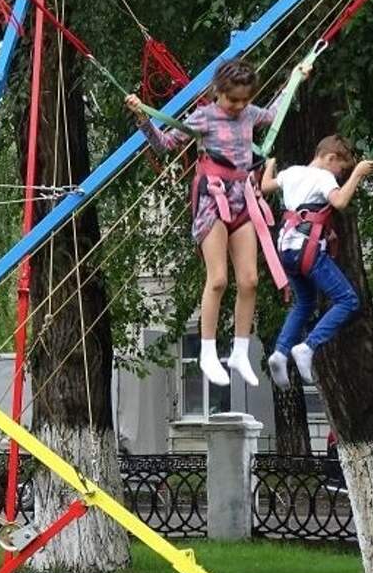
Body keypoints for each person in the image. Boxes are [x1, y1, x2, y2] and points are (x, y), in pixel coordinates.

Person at [126, 57, 310, 388]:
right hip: (212, 198)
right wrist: (143, 117)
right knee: (219, 279)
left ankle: (240, 351)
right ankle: (208, 351)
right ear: (218, 92)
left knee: (251, 280)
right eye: (232, 100)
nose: (239, 106)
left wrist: (295, 78)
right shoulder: (205, 117)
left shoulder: (250, 113)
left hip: (243, 198)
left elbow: (275, 112)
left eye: (245, 100)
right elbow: (164, 144)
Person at [261, 135, 373, 388]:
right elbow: (340, 201)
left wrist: (270, 163)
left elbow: (265, 186)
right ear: (330, 158)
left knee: (305, 302)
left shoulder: (291, 173)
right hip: (308, 250)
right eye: (341, 169)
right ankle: (307, 346)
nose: (340, 175)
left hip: (286, 250)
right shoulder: (324, 178)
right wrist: (357, 174)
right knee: (348, 300)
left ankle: (280, 352)